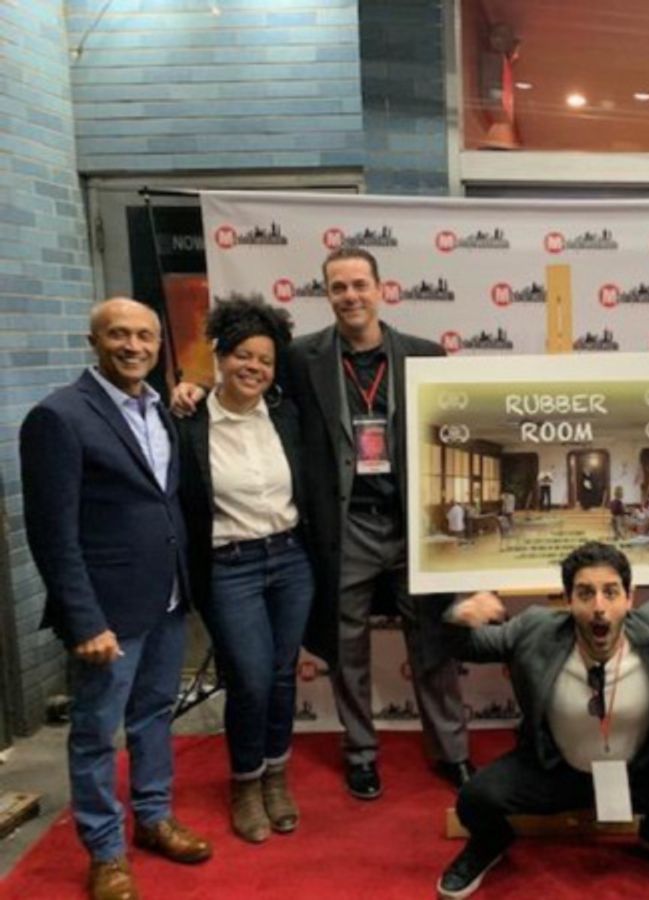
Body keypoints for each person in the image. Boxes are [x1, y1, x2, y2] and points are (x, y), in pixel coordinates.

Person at [174, 247, 472, 797]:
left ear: (381, 289)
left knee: (431, 640)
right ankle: (360, 753)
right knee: (346, 646)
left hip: (414, 525)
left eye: (360, 285)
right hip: (344, 524)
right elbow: (244, 379)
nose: (350, 296)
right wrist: (193, 385)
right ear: (327, 294)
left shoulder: (425, 356)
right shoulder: (301, 356)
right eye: (339, 287)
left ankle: (451, 751)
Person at [21, 298, 212, 900]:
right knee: (96, 730)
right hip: (107, 614)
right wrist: (84, 620)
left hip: (168, 597)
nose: (133, 346)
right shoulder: (59, 417)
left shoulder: (163, 410)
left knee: (155, 716)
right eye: (119, 335)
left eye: (145, 336)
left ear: (159, 344)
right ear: (94, 341)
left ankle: (153, 819)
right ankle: (105, 850)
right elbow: (52, 533)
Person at [437, 542, 649, 899]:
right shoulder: (535, 629)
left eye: (610, 592)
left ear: (629, 598)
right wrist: (458, 618)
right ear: (568, 599)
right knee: (474, 800)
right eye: (585, 594)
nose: (599, 607)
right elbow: (466, 646)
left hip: (641, 770)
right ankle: (492, 842)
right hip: (555, 771)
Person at [176, 299, 313, 843]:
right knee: (251, 679)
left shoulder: (286, 415)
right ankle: (245, 781)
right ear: (219, 355)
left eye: (265, 360)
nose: (254, 368)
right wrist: (183, 389)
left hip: (291, 559)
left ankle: (276, 776)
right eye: (242, 356)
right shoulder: (187, 422)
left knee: (281, 675)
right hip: (229, 566)